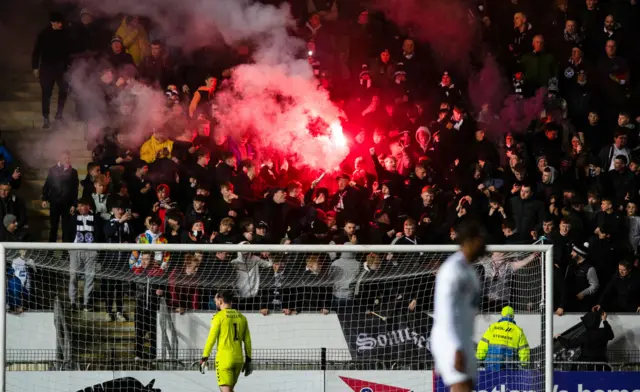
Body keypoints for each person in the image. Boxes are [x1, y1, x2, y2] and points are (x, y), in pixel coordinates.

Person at [430, 220, 485, 392]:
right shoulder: (451, 270)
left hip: (464, 339)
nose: (484, 244)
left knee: (467, 386)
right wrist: (455, 346)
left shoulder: (470, 271)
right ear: (469, 241)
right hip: (449, 340)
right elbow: (445, 311)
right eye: (481, 239)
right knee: (461, 385)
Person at [200, 290, 253, 392]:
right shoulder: (242, 317)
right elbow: (247, 341)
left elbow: (211, 338)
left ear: (220, 301)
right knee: (229, 390)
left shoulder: (218, 317)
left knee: (225, 390)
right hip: (238, 359)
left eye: (215, 300)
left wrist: (204, 357)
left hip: (224, 359)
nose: (215, 302)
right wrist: (249, 360)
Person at [475, 306, 530, 371]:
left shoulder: (492, 327)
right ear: (513, 316)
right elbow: (524, 349)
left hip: (491, 365)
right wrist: (524, 363)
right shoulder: (518, 331)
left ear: (502, 315)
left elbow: (483, 344)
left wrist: (480, 357)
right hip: (509, 366)